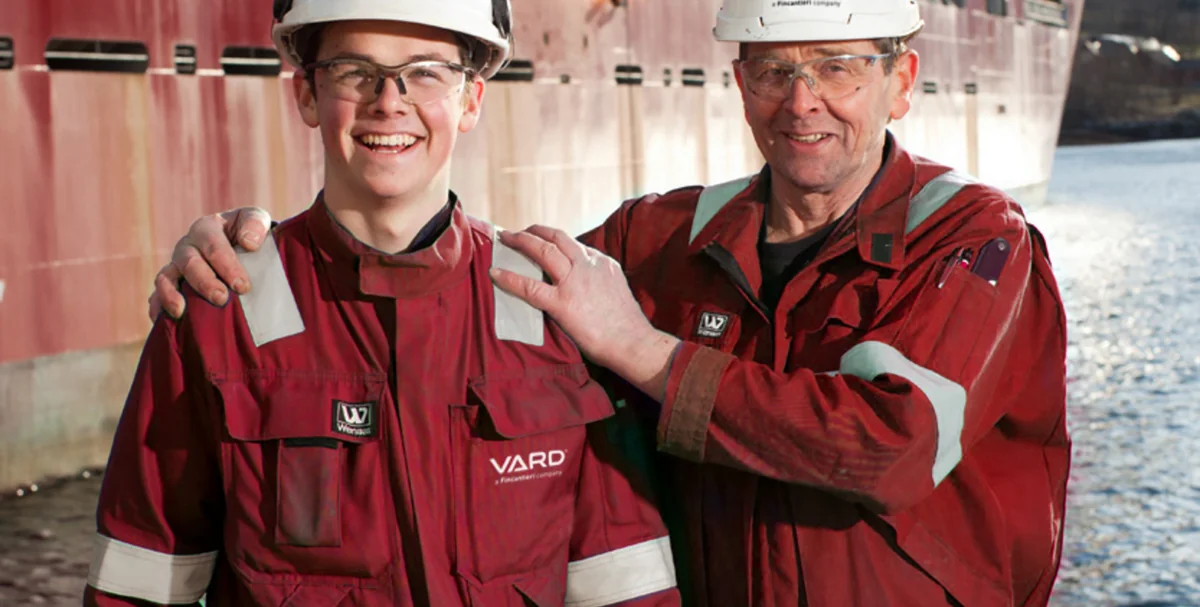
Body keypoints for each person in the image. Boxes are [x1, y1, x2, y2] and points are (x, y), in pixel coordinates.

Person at [149, 0, 1072, 604]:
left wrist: (650, 356)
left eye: (838, 67)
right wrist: (250, 253)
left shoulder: (977, 243)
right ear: (738, 81)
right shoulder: (659, 241)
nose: (802, 101)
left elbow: (893, 445)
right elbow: (463, 280)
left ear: (900, 82)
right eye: (772, 70)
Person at [87, 1, 680, 605]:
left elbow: (625, 585)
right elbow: (137, 586)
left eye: (426, 72)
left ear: (471, 100)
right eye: (353, 71)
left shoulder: (558, 314)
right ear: (308, 96)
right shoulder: (219, 313)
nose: (389, 101)